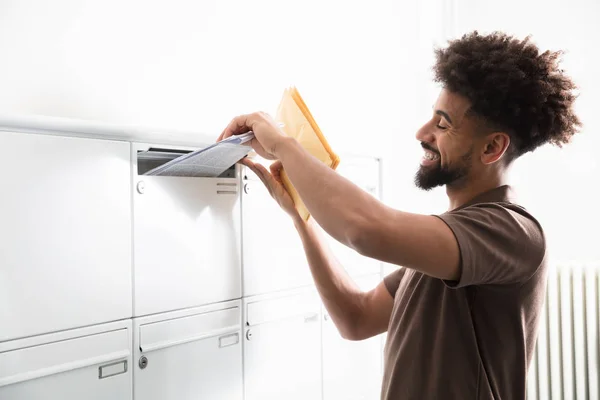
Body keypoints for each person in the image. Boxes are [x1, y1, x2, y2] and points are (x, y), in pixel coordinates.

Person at [218, 31, 581, 399]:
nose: (422, 133)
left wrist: (282, 142)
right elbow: (355, 317)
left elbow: (365, 229)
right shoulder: (447, 241)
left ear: (491, 147)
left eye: (442, 125)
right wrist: (301, 216)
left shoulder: (511, 230)